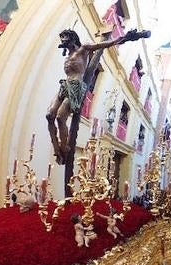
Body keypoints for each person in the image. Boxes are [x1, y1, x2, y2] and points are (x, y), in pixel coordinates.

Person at [46, 28, 150, 164]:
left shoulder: (84, 49)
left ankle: (64, 148)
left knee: (60, 117)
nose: (63, 40)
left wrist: (126, 37)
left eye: (66, 37)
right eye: (62, 38)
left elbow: (107, 44)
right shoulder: (68, 56)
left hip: (76, 86)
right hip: (64, 85)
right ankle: (57, 148)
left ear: (72, 38)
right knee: (49, 115)